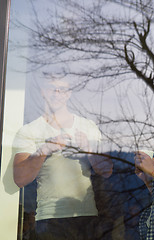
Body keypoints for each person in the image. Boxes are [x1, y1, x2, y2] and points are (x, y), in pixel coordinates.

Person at [12, 77, 113, 240]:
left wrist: (88, 149)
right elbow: (20, 179)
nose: (57, 94)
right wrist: (44, 149)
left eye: (62, 89)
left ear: (69, 94)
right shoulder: (30, 131)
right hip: (49, 219)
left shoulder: (88, 126)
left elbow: (107, 170)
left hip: (86, 217)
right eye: (52, 89)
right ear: (43, 92)